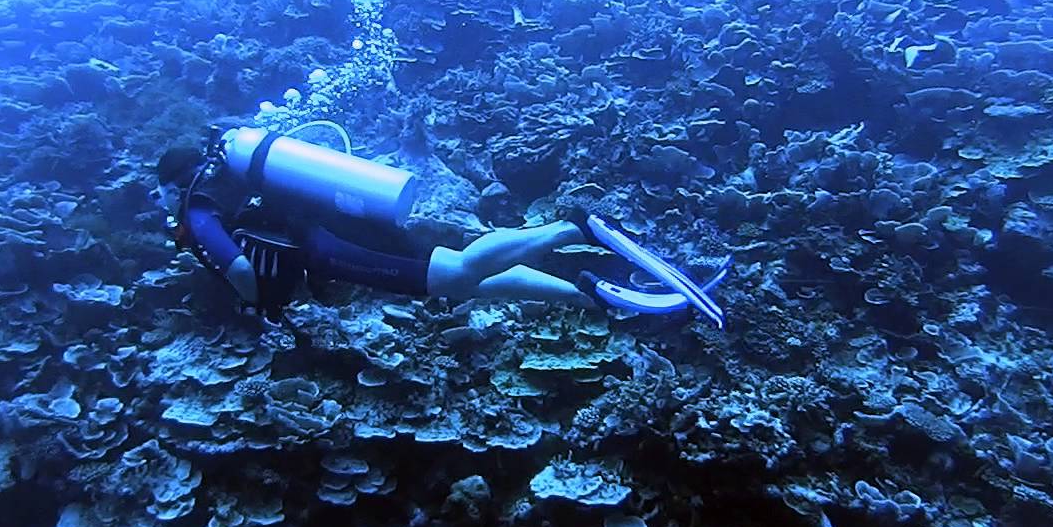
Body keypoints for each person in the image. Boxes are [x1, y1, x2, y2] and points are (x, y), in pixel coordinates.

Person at [152, 126, 727, 326]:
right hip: (341, 223)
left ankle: (574, 228)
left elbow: (238, 267)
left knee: (455, 275)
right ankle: (588, 295)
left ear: (176, 184)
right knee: (471, 280)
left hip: (329, 247)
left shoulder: (199, 209)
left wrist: (256, 307)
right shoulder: (227, 175)